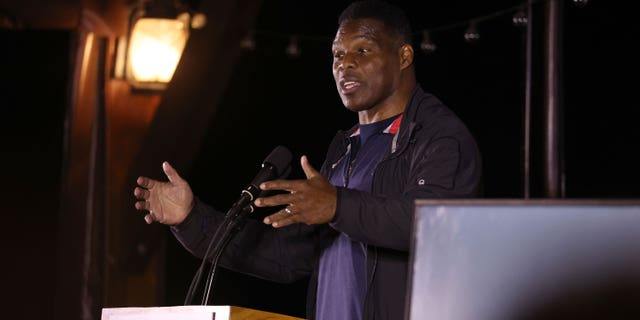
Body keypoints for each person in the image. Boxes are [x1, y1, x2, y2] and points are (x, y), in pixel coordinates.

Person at [133, 1, 482, 319]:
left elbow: (435, 227)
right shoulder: (345, 149)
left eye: (362, 50)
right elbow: (288, 255)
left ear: (404, 56)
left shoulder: (438, 136)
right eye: (337, 54)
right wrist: (191, 220)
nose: (345, 64)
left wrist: (338, 206)